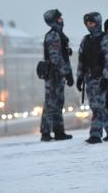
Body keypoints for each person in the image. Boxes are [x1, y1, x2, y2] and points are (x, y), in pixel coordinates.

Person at [76, 12, 108, 144]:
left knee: (97, 105)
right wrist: (79, 77)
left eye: (92, 23)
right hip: (89, 78)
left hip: (101, 77)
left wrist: (106, 77)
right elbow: (81, 60)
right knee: (96, 106)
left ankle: (95, 135)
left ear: (98, 23)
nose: (89, 26)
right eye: (87, 24)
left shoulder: (107, 39)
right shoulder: (85, 40)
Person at [40, 9, 74, 142]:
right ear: (53, 21)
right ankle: (46, 133)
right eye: (59, 19)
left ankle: (59, 132)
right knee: (51, 104)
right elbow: (56, 58)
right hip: (54, 75)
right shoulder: (54, 35)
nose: (62, 20)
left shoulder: (59, 34)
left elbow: (61, 54)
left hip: (58, 75)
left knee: (58, 103)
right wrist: (67, 73)